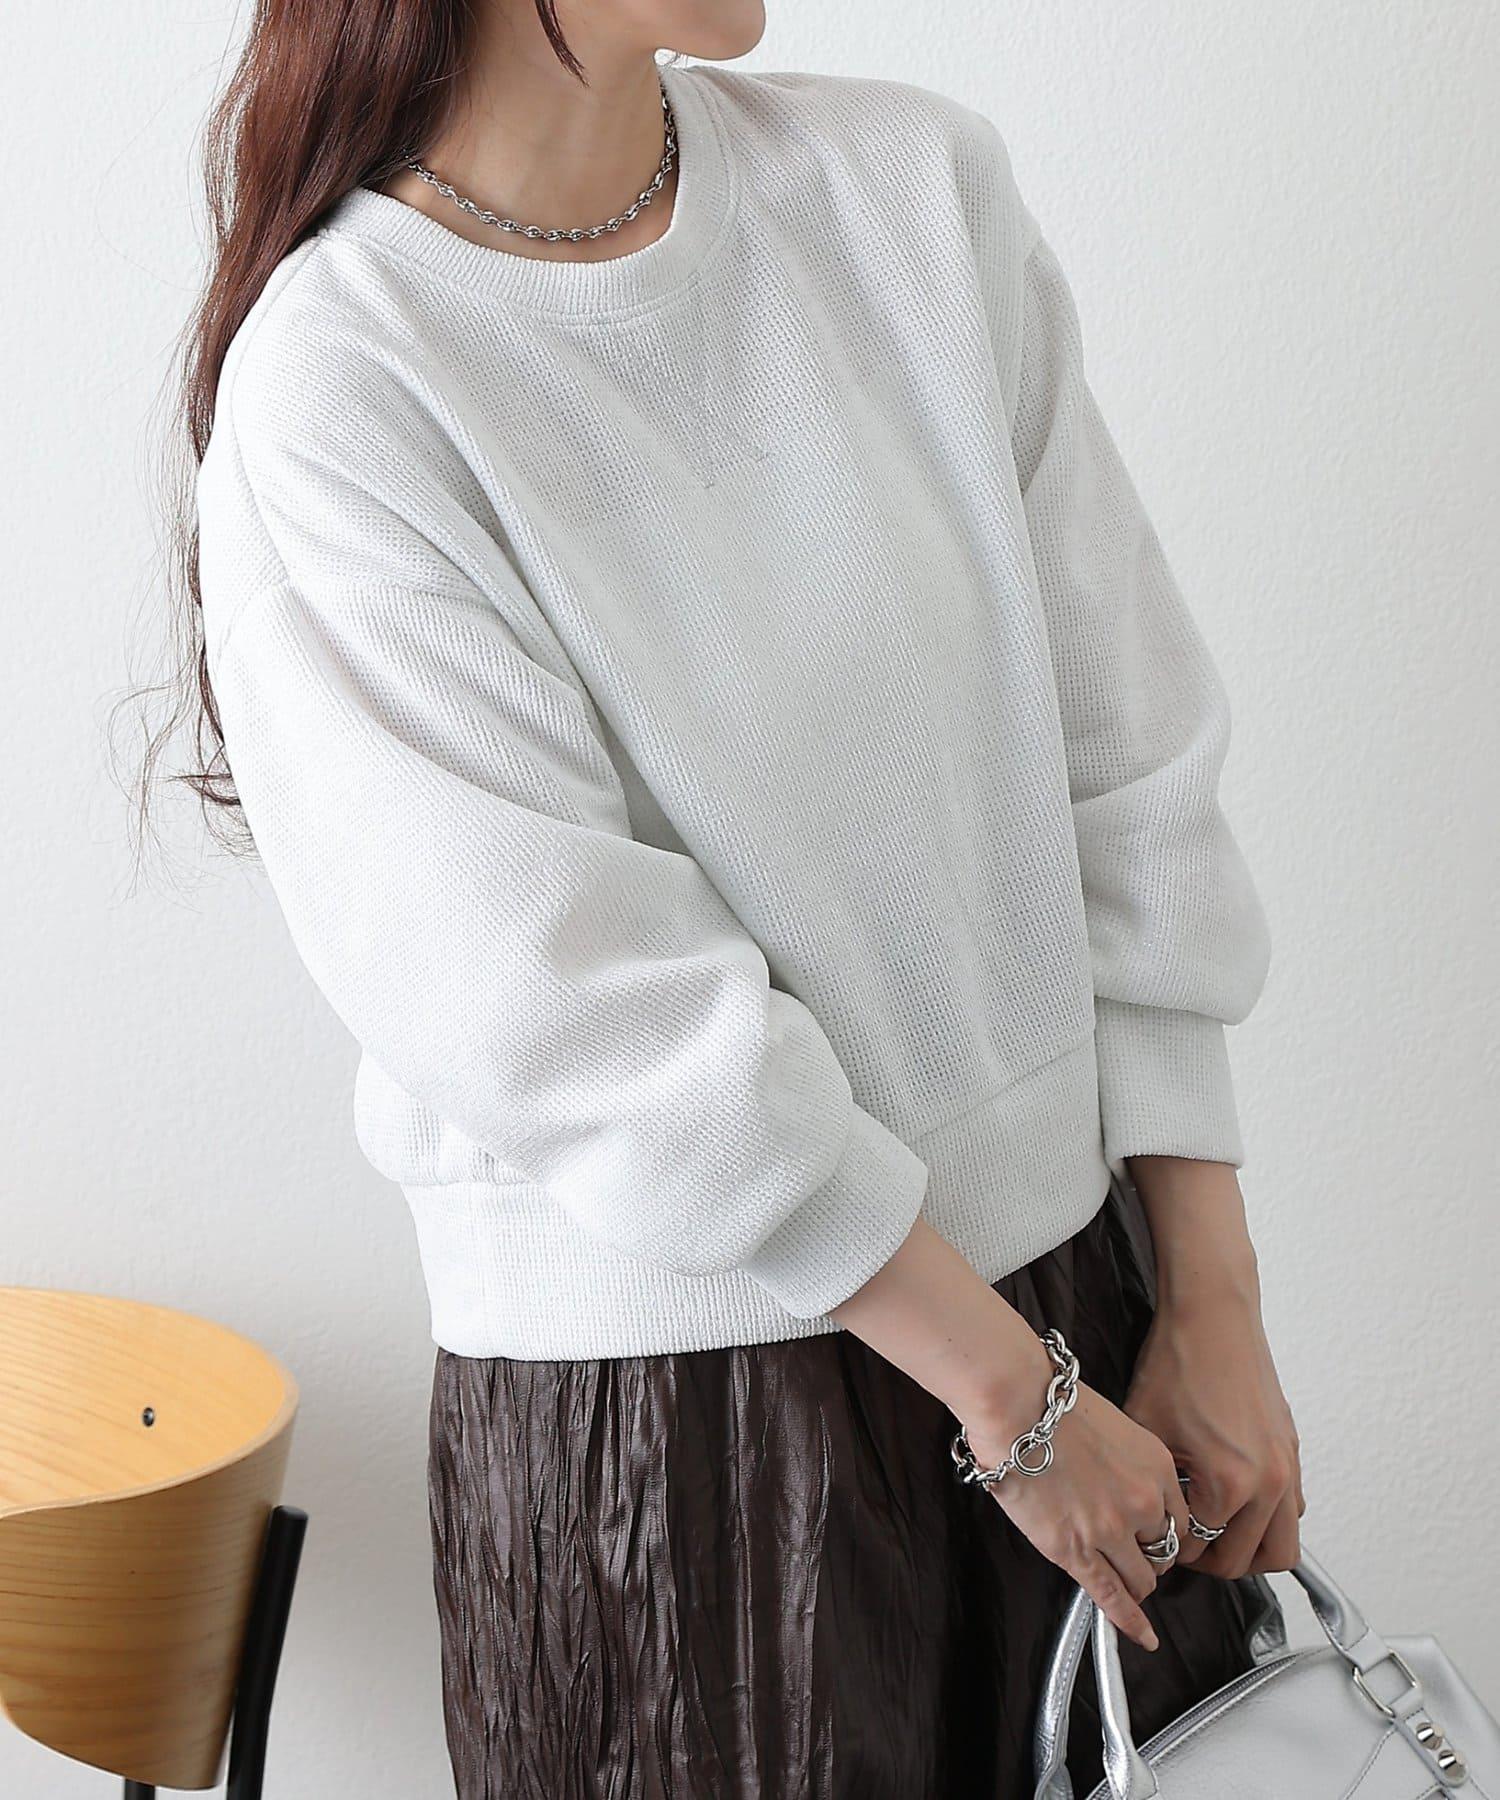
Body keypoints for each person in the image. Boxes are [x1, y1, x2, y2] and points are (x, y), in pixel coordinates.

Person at [176, 0, 1303, 1792]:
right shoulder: (345, 379)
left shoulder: (910, 191)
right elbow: (561, 1001)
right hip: (686, 1437)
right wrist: (1007, 1401)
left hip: (1088, 1327)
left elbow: (1128, 748)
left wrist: (1214, 1297)